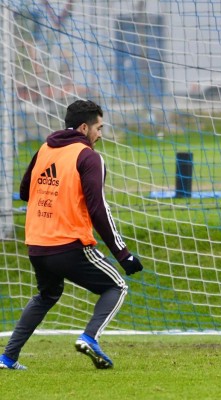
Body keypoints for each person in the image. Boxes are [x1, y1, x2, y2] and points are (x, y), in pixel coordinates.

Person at [0, 100, 144, 370]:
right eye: (98, 128)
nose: (100, 134)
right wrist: (123, 255)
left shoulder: (45, 148)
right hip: (69, 244)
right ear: (83, 127)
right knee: (116, 286)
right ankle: (90, 337)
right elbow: (98, 209)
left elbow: (24, 191)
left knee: (47, 295)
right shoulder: (88, 156)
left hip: (36, 244)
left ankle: (7, 358)